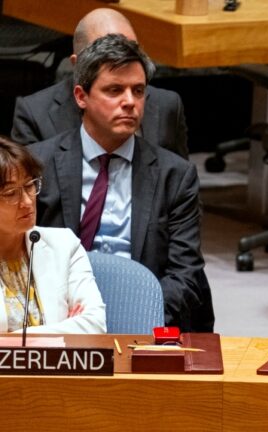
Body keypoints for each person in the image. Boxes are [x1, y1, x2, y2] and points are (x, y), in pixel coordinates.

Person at [28, 34, 213, 332]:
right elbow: (15, 257)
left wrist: (139, 316)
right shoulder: (37, 164)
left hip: (144, 320)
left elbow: (185, 273)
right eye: (115, 90)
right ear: (81, 96)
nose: (130, 102)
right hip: (57, 322)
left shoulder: (175, 175)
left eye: (138, 91)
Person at [11, 8, 189, 159]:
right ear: (77, 64)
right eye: (107, 52)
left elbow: (182, 187)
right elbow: (25, 193)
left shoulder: (167, 105)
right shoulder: (34, 113)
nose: (123, 59)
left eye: (131, 50)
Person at [0, 136, 105, 334]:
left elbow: (95, 325)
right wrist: (63, 329)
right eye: (11, 193)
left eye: (30, 186)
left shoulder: (64, 244)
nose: (27, 202)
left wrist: (10, 340)